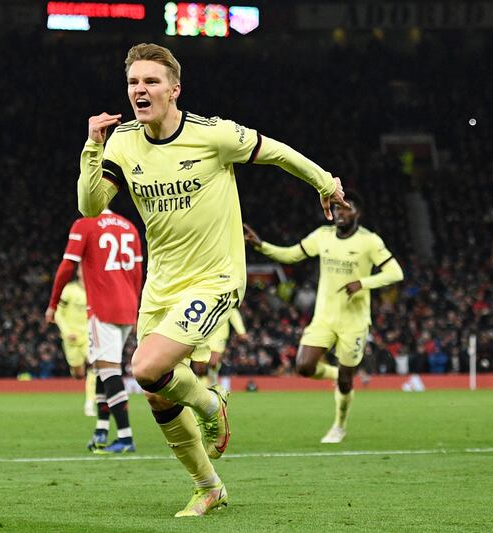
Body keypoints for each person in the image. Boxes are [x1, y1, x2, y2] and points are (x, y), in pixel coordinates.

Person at [78, 43, 348, 516]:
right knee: (157, 390)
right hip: (160, 284)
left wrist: (325, 182)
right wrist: (92, 146)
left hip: (215, 277)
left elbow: (277, 152)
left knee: (144, 368)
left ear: (174, 89)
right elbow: (90, 205)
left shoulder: (212, 134)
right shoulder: (121, 141)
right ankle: (208, 486)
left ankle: (208, 404)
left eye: (151, 81)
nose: (140, 90)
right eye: (133, 83)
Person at [244, 190, 403, 444]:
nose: (340, 212)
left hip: (354, 321)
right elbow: (291, 254)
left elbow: (395, 273)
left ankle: (339, 426)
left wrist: (362, 283)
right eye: (337, 208)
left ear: (357, 213)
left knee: (346, 378)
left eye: (346, 208)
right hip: (324, 317)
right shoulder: (322, 236)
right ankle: (336, 375)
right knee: (304, 367)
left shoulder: (370, 241)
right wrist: (260, 245)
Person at [45, 209, 143, 454]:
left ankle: (125, 436)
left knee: (108, 370)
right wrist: (137, 306)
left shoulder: (85, 223)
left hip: (102, 307)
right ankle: (101, 431)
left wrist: (53, 303)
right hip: (128, 305)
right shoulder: (128, 225)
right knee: (100, 368)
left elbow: (68, 265)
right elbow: (138, 273)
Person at [48, 267, 96, 417]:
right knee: (78, 373)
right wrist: (67, 332)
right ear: (78, 272)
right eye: (82, 268)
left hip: (89, 336)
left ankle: (90, 404)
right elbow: (57, 313)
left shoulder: (96, 288)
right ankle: (77, 372)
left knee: (95, 366)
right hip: (71, 337)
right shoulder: (69, 290)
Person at [193, 309, 248, 387]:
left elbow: (233, 312)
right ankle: (201, 387)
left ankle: (213, 382)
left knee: (213, 361)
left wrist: (241, 331)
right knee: (199, 367)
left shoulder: (225, 298)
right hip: (201, 333)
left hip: (218, 334)